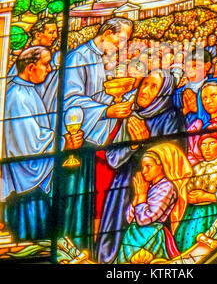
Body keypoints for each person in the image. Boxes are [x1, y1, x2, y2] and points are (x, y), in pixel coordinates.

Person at [60, 17, 134, 253]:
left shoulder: (98, 59)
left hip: (95, 139)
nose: (123, 45)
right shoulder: (77, 58)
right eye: (121, 39)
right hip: (79, 141)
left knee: (91, 201)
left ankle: (89, 246)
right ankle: (76, 247)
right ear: (106, 33)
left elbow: (93, 97)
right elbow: (70, 101)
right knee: (79, 201)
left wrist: (116, 99)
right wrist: (107, 110)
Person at [95, 69, 182, 264]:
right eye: (145, 84)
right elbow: (113, 158)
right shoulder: (131, 115)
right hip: (123, 185)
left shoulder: (171, 118)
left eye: (154, 87)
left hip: (154, 187)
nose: (145, 91)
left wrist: (146, 142)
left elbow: (173, 158)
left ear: (164, 93)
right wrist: (133, 145)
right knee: (114, 237)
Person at [1, 46, 82, 241]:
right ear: (30, 68)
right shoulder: (17, 96)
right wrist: (64, 142)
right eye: (45, 64)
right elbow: (28, 144)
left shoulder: (26, 90)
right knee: (31, 237)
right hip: (25, 190)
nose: (50, 68)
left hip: (32, 188)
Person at [115, 142, 193, 264]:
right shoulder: (149, 187)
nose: (144, 171)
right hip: (134, 237)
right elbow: (130, 218)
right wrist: (138, 197)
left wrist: (141, 196)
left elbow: (145, 219)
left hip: (152, 238)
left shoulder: (167, 187)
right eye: (143, 167)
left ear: (162, 165)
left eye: (148, 166)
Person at [175, 133, 217, 252]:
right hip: (192, 212)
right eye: (203, 144)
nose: (207, 148)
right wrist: (187, 196)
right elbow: (187, 188)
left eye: (212, 143)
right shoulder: (196, 168)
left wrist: (209, 196)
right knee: (183, 237)